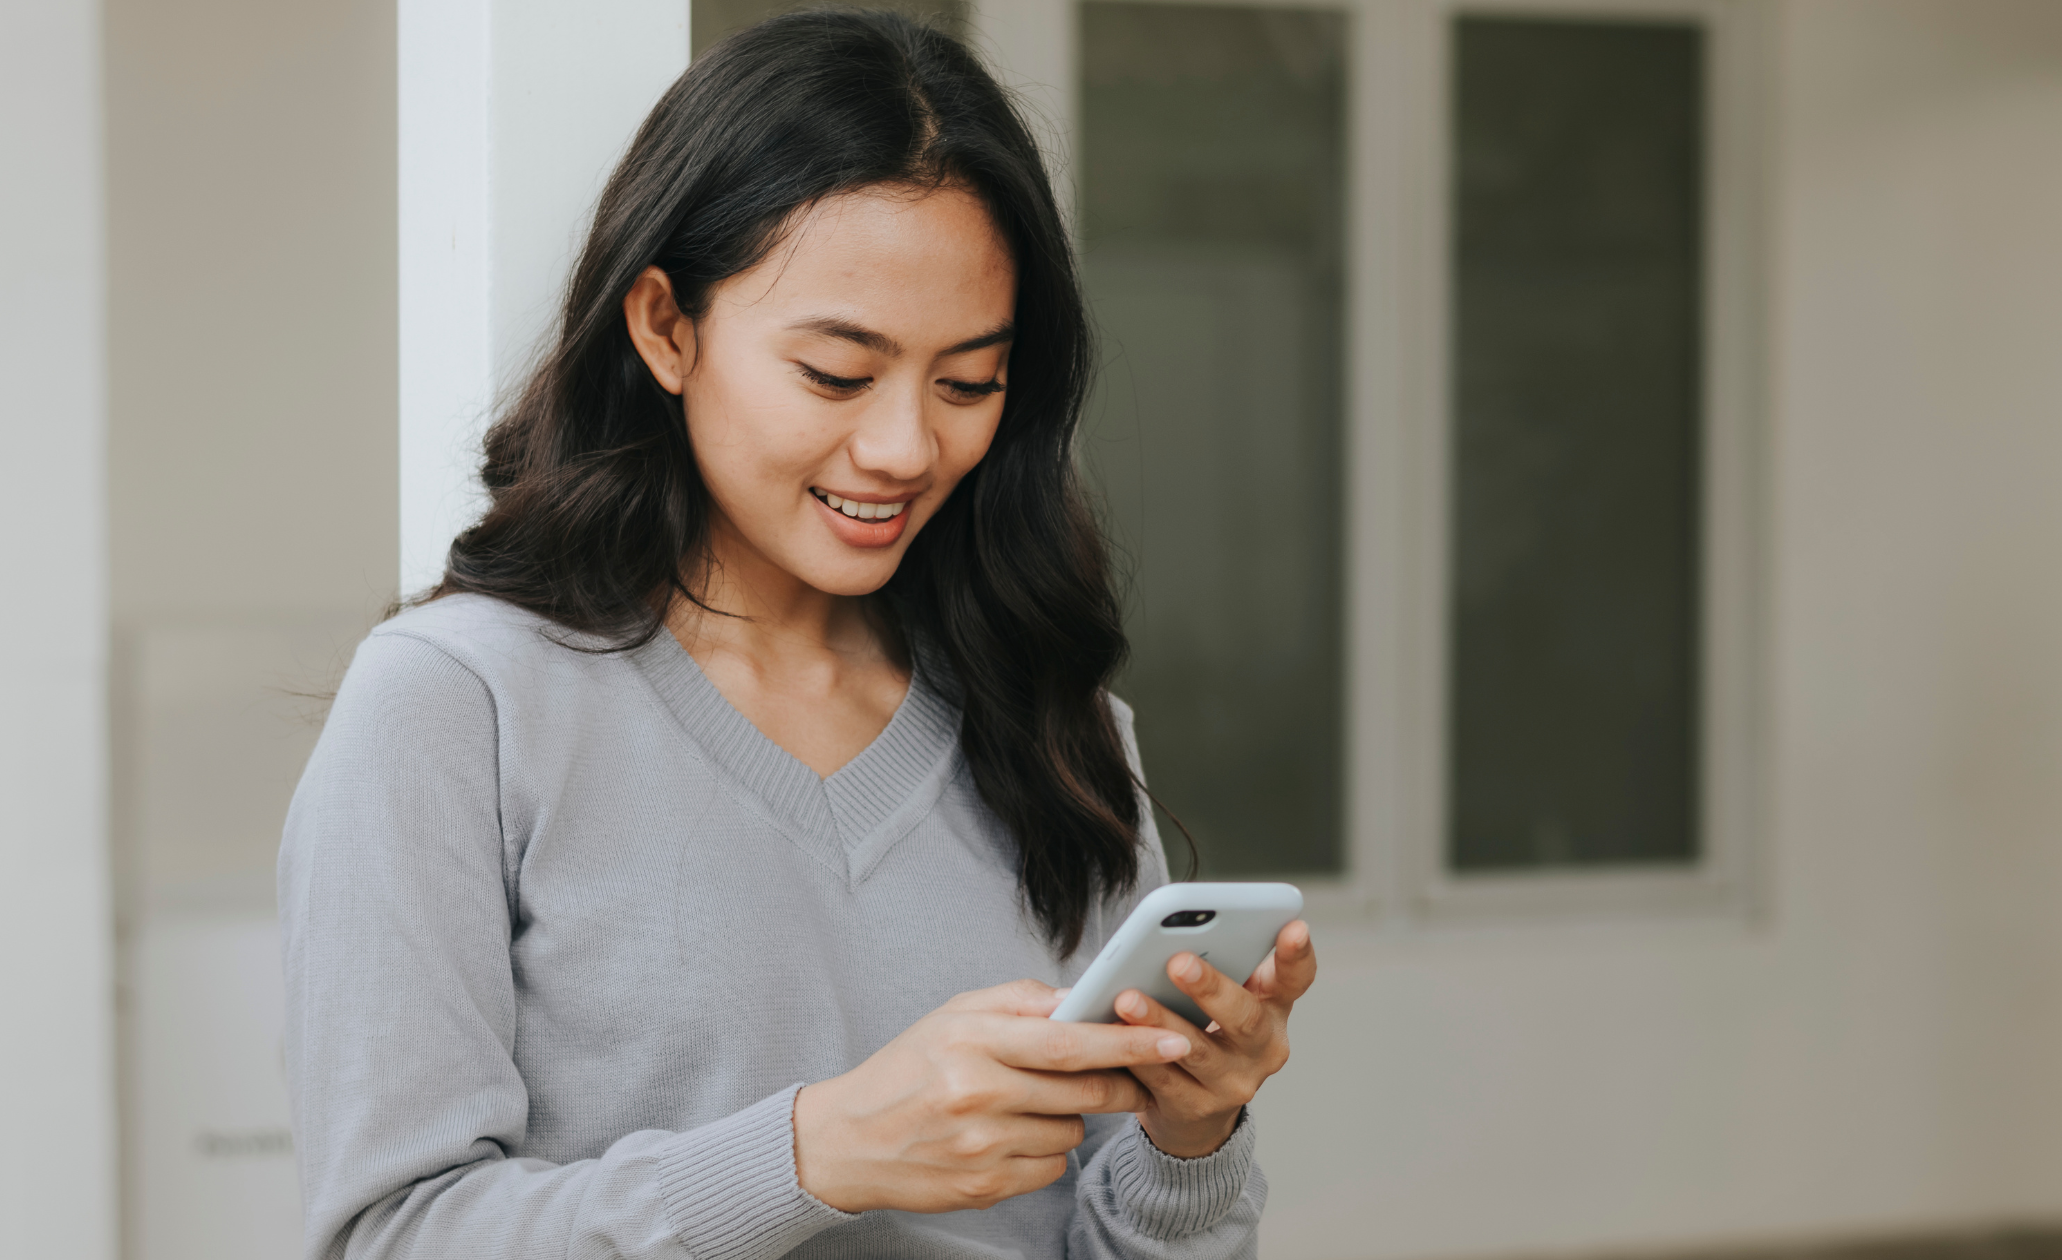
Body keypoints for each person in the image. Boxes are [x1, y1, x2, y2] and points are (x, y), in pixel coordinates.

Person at [279, 11, 1315, 1258]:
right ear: (666, 327)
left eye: (967, 381)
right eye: (835, 373)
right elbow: (391, 1236)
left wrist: (1190, 1136)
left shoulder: (1050, 721)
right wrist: (815, 1153)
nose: (903, 448)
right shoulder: (458, 708)